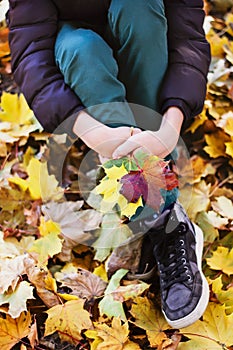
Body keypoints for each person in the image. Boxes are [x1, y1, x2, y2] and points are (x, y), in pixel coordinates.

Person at [7, 0, 211, 328]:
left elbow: (187, 39)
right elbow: (31, 51)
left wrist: (168, 130)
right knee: (80, 47)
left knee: (139, 7)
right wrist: (93, 132)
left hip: (148, 49)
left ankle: (162, 217)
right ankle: (154, 211)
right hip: (81, 63)